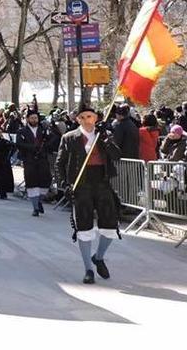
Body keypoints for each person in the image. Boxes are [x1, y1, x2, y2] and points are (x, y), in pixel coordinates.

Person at [55, 103, 121, 285]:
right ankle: (88, 269)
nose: (86, 120)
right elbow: (60, 163)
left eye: (89, 116)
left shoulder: (104, 135)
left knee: (110, 225)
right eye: (82, 117)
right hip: (81, 185)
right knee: (83, 228)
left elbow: (117, 156)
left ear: (96, 118)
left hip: (102, 183)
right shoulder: (69, 138)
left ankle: (98, 257)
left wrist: (107, 141)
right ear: (77, 119)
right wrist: (63, 184)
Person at [15, 109, 56, 215]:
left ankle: (39, 200)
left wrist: (45, 147)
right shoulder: (22, 131)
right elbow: (19, 144)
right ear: (28, 119)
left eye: (36, 118)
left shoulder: (44, 130)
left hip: (42, 159)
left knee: (46, 180)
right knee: (32, 181)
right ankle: (35, 208)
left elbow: (53, 139)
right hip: (29, 159)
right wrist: (32, 147)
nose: (34, 120)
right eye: (32, 118)